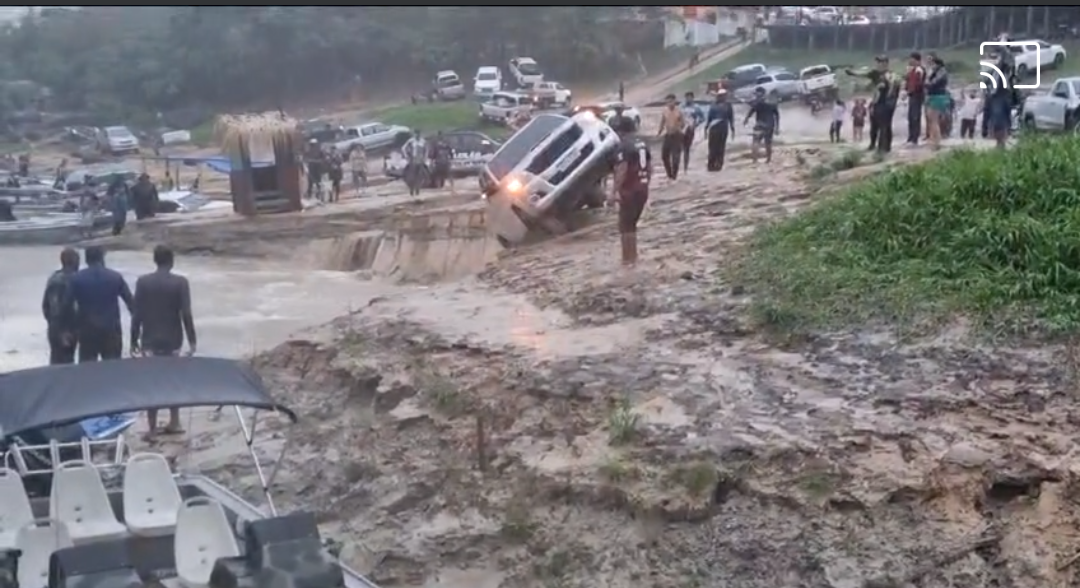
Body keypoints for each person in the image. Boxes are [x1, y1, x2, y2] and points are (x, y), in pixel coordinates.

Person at [131, 245, 197, 438]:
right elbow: (186, 313)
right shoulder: (180, 283)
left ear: (154, 260)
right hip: (173, 339)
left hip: (149, 339)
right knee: (173, 380)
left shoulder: (143, 282)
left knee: (152, 382)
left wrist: (133, 339)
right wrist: (192, 340)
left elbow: (137, 314)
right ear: (172, 261)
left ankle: (151, 426)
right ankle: (174, 421)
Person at [66, 245, 134, 363]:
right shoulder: (115, 277)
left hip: (87, 331)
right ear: (102, 258)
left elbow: (66, 306)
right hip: (111, 330)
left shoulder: (76, 279)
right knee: (112, 370)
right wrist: (137, 331)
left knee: (87, 371)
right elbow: (131, 303)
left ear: (86, 260)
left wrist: (68, 330)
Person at [608, 117, 651, 266]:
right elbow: (649, 167)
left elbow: (622, 169)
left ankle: (628, 260)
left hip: (630, 190)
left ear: (620, 130)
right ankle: (633, 258)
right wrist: (646, 184)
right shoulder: (642, 144)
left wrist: (613, 192)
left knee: (625, 226)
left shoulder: (623, 146)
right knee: (632, 225)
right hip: (642, 189)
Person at [846, 56, 899, 154]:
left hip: (885, 103)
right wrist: (852, 73)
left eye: (881, 62)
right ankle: (873, 144)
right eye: (878, 62)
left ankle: (884, 147)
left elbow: (893, 87)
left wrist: (890, 99)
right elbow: (863, 74)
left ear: (886, 63)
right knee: (874, 125)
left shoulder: (890, 75)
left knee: (885, 126)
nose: (879, 64)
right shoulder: (875, 73)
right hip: (876, 101)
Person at [42, 248, 80, 365]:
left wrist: (52, 324)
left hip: (55, 327)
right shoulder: (71, 279)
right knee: (65, 363)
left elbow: (46, 306)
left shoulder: (53, 278)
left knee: (56, 362)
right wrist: (63, 331)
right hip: (66, 328)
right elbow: (58, 308)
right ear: (75, 262)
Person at [743, 86, 781, 164]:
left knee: (756, 141)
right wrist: (777, 127)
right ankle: (768, 159)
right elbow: (777, 115)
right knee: (768, 142)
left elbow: (751, 111)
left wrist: (746, 119)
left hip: (760, 124)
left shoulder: (757, 102)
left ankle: (755, 160)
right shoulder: (771, 102)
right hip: (770, 125)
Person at [656, 94, 686, 180]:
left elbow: (683, 123)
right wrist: (659, 132)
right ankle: (669, 174)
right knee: (664, 156)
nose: (669, 103)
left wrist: (678, 128)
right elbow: (662, 122)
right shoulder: (665, 111)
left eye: (671, 101)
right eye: (668, 102)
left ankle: (674, 175)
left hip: (677, 136)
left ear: (674, 101)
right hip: (668, 135)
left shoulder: (679, 111)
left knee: (675, 157)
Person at [705, 90, 735, 172]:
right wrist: (706, 128)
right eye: (721, 95)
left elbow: (731, 117)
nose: (722, 97)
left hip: (723, 128)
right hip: (714, 128)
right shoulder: (713, 105)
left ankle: (719, 164)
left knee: (721, 147)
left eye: (724, 95)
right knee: (712, 147)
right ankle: (710, 164)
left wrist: (732, 129)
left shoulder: (728, 105)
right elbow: (709, 117)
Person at [924, 55, 950, 150]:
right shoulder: (936, 72)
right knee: (931, 120)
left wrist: (927, 82)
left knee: (934, 120)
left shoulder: (941, 72)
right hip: (934, 96)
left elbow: (932, 83)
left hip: (937, 96)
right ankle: (933, 140)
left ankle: (936, 141)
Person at [904, 52, 926, 146]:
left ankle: (914, 138)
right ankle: (911, 137)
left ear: (916, 60)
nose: (910, 61)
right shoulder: (912, 70)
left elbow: (918, 84)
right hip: (912, 94)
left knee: (915, 116)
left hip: (917, 95)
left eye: (911, 59)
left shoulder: (919, 70)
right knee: (911, 116)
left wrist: (910, 91)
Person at [680, 91, 705, 174]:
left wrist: (696, 124)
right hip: (681, 130)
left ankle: (685, 167)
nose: (688, 99)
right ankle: (680, 165)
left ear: (693, 98)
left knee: (686, 149)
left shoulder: (696, 107)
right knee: (679, 148)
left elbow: (702, 118)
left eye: (690, 97)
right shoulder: (681, 107)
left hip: (690, 130)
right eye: (687, 97)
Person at [402, 130, 428, 197]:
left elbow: (426, 150)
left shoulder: (423, 141)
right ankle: (411, 189)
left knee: (419, 176)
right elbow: (403, 148)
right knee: (412, 176)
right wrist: (407, 157)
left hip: (420, 160)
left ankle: (417, 190)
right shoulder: (411, 141)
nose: (417, 135)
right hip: (413, 160)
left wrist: (425, 158)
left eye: (418, 134)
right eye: (416, 134)